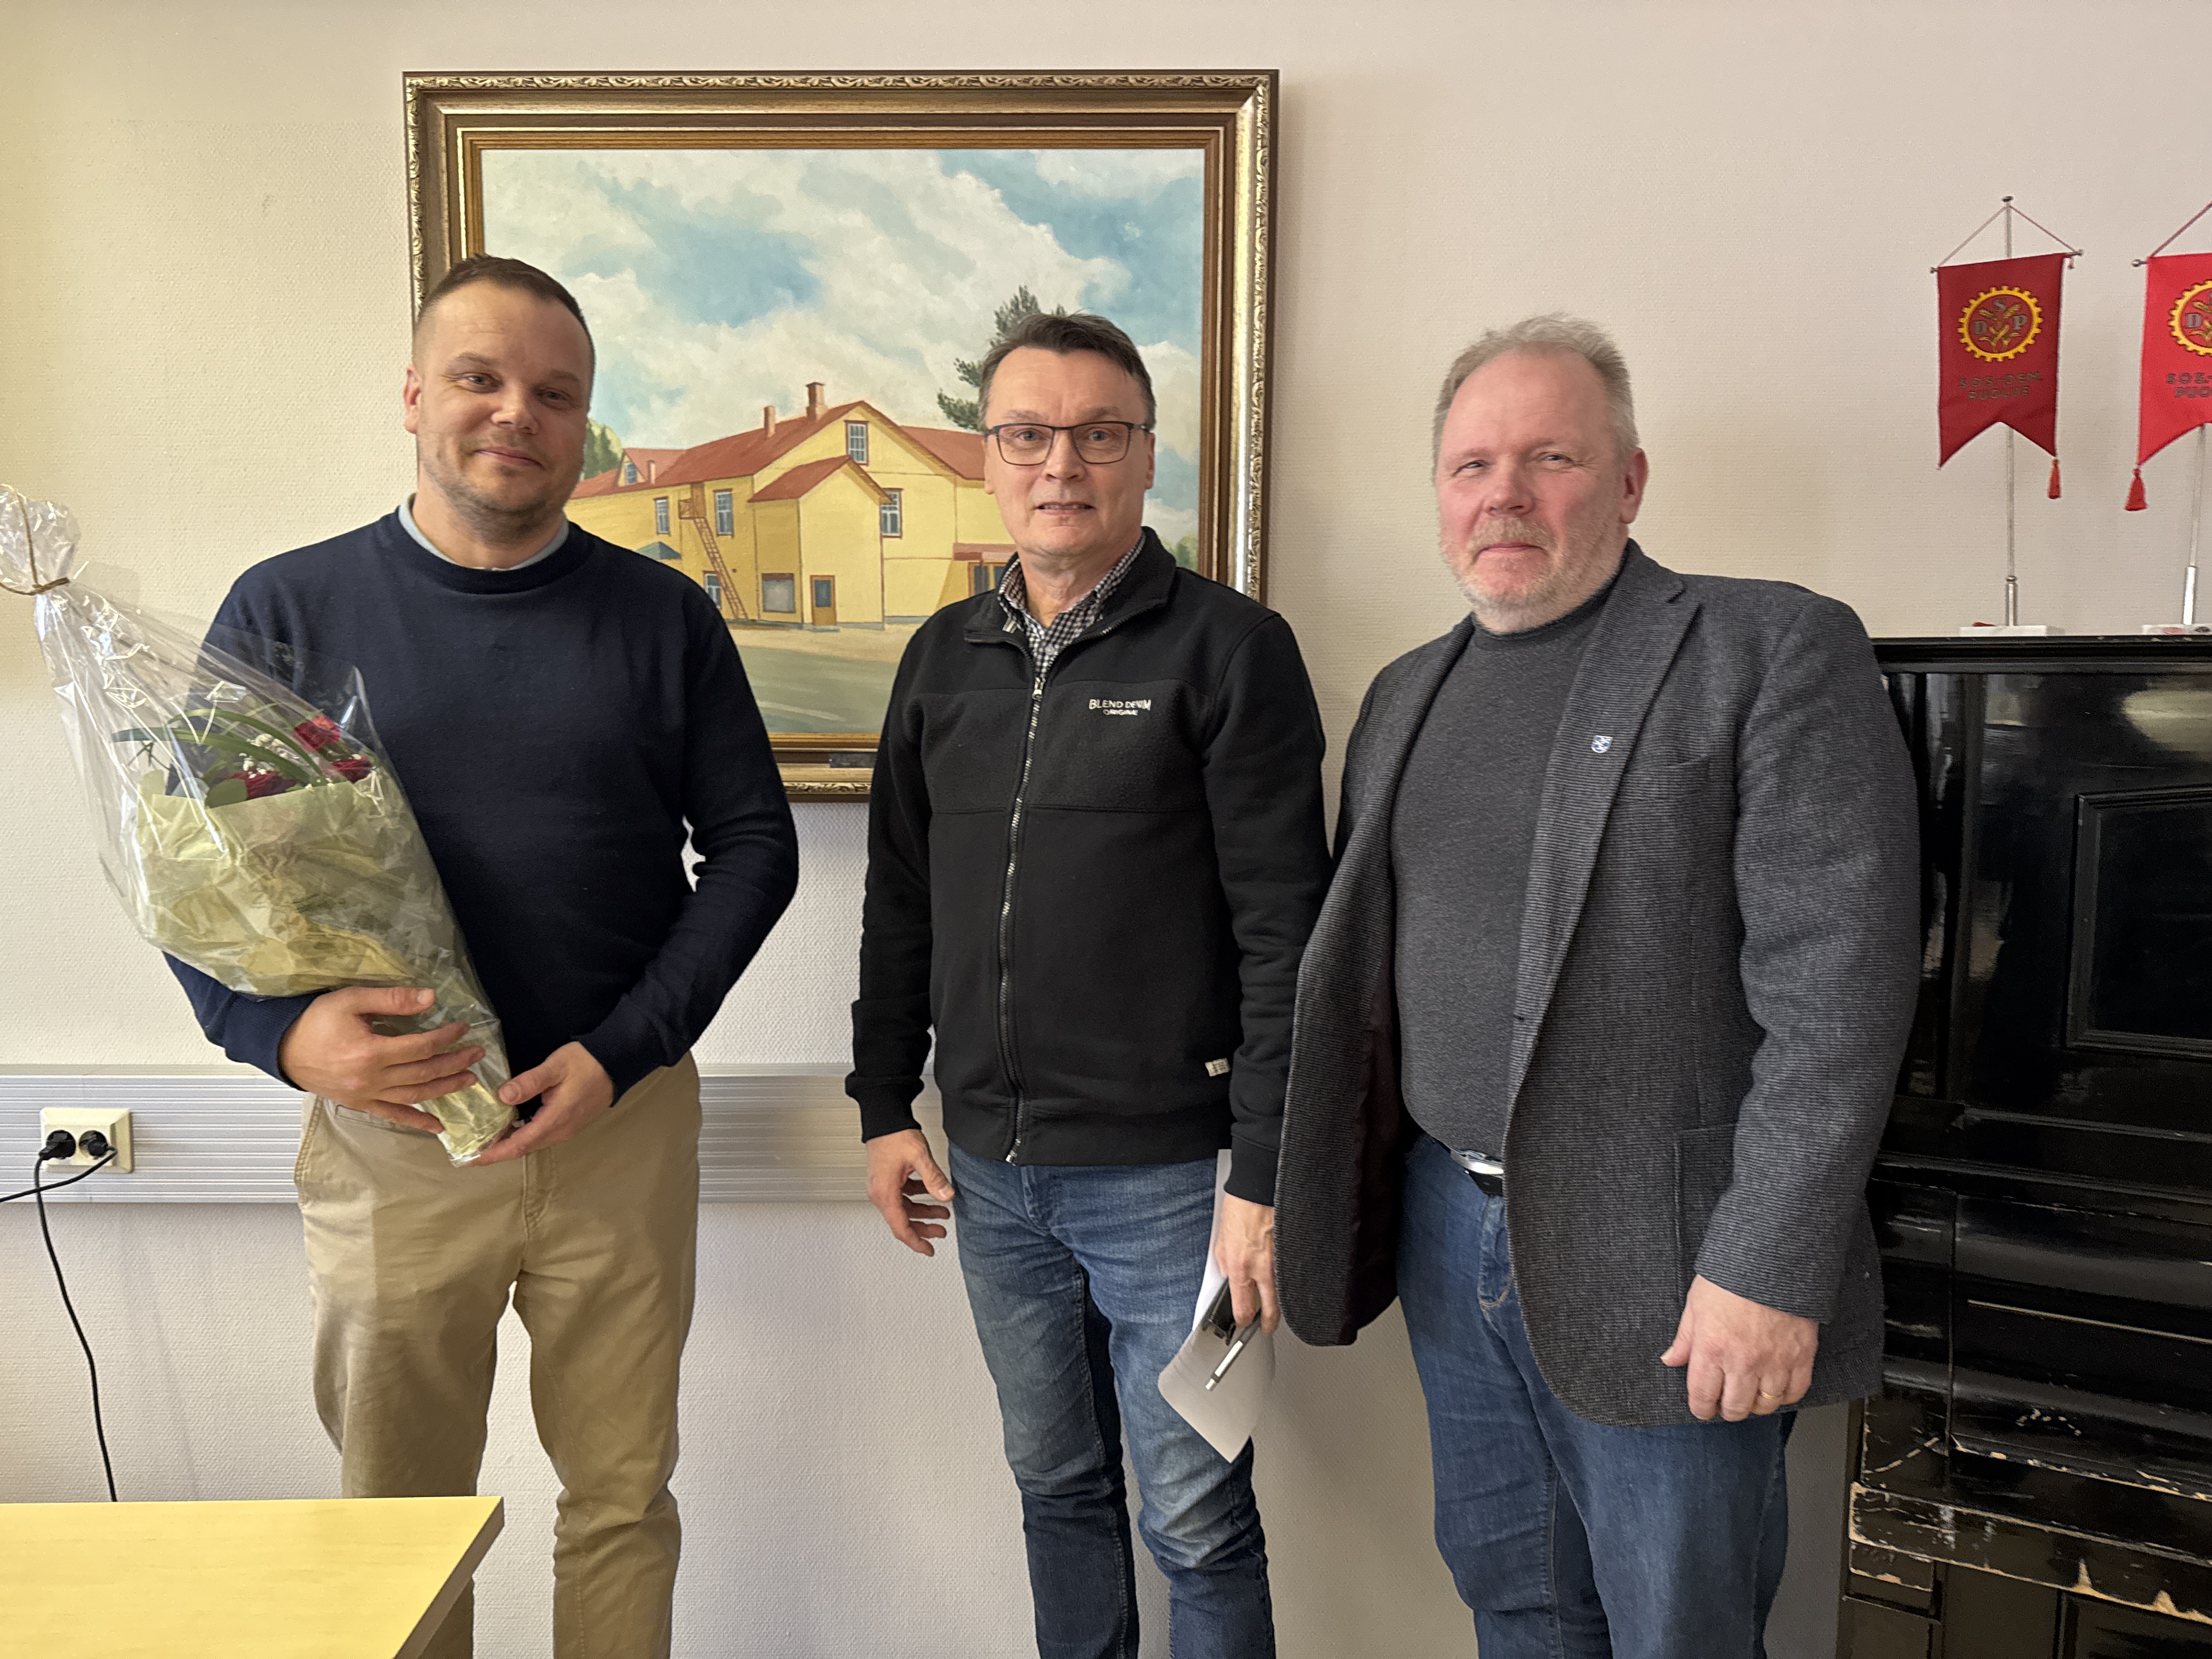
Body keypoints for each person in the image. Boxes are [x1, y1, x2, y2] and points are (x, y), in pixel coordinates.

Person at [166, 255, 800, 1658]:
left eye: (555, 394)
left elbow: (757, 850)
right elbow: (190, 874)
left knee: (622, 1502)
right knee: (397, 1523)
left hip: (620, 1131)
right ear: (413, 395)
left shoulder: (665, 619)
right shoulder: (287, 609)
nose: (517, 412)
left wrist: (623, 1053)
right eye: (480, 378)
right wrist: (278, 1036)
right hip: (394, 1143)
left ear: (585, 428)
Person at [1274, 315, 1920, 1658]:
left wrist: (1766, 1268)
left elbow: (1838, 998)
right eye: (1471, 465)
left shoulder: (1768, 649)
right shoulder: (1402, 695)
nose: (1503, 493)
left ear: (1628, 481)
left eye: (1550, 457)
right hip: (1451, 1230)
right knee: (1515, 1604)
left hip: (1677, 1265)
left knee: (1679, 1632)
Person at [848, 309, 1329, 1659]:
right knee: (1056, 1492)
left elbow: (1288, 938)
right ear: (986, 456)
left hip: (1176, 1187)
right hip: (990, 1178)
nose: (1062, 464)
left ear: (1147, 455)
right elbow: (900, 898)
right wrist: (883, 1103)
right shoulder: (940, 658)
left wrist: (1261, 1180)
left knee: (1198, 1519)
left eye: (1099, 433)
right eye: (1028, 434)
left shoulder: (1233, 650)